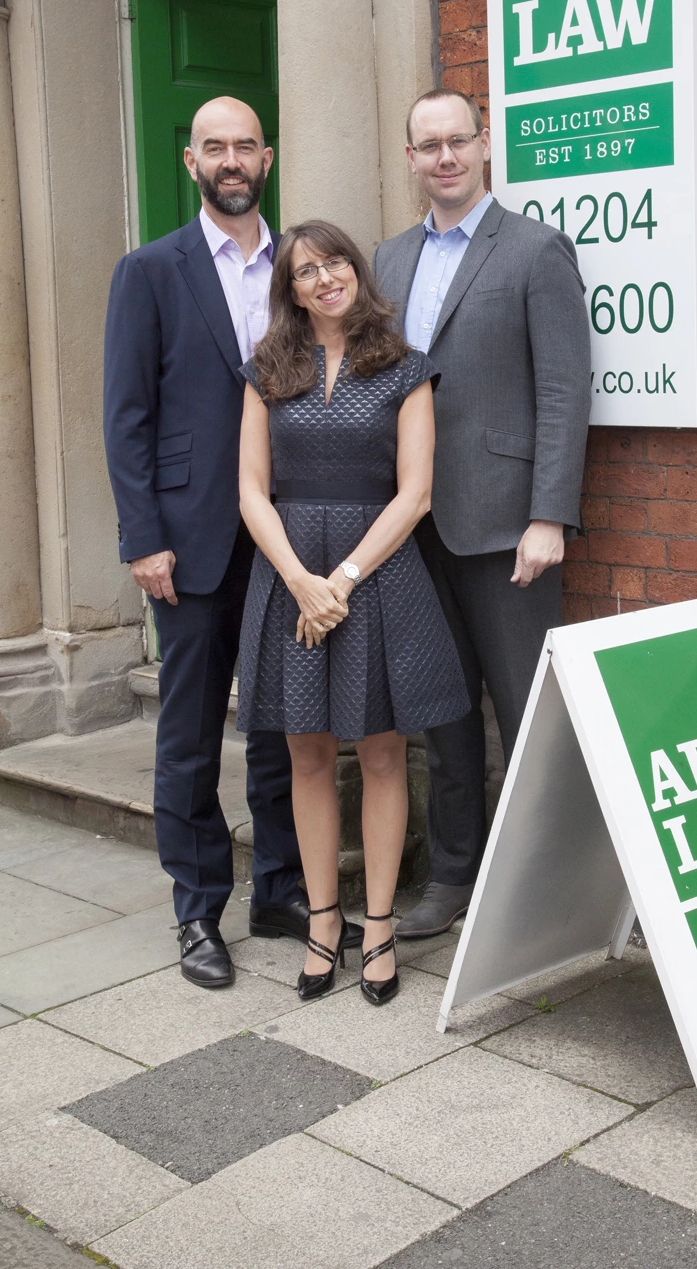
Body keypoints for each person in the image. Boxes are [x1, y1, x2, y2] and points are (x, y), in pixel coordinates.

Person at [103, 96, 361, 989]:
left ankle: (283, 889)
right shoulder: (150, 271)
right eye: (214, 147)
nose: (231, 160)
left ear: (268, 156)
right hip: (194, 539)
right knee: (190, 732)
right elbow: (127, 416)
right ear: (191, 162)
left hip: (291, 534)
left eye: (245, 145)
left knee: (288, 724)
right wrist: (144, 537)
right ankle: (198, 911)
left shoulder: (302, 265)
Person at [374, 89, 592, 940]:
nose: (445, 158)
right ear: (411, 159)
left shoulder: (536, 250)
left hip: (506, 526)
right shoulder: (387, 262)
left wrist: (550, 514)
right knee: (443, 710)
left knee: (528, 709)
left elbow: (567, 391)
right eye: (428, 146)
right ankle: (454, 876)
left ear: (485, 145)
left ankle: (552, 886)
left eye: (458, 140)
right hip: (413, 527)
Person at [237, 219, 469, 1005]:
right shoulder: (268, 367)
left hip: (377, 574)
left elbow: (417, 493)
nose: (324, 277)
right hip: (290, 575)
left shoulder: (403, 366)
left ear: (356, 273)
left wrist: (340, 577)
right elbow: (250, 489)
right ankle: (324, 921)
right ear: (291, 289)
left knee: (378, 752)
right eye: (305, 270)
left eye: (335, 262)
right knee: (306, 753)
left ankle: (377, 928)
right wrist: (301, 581)